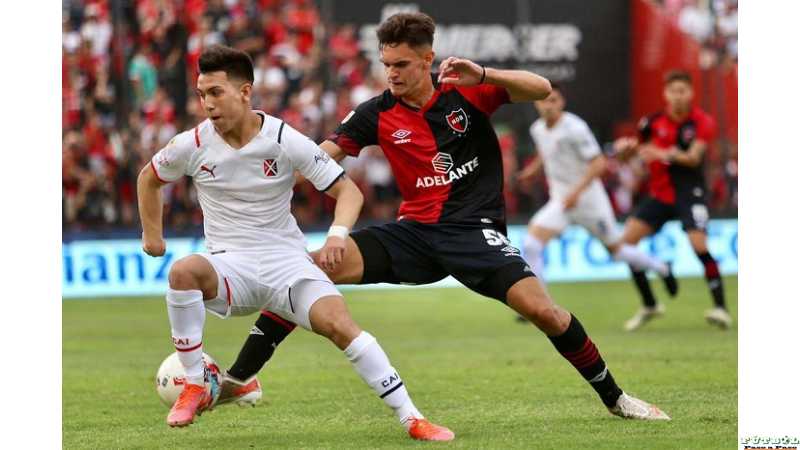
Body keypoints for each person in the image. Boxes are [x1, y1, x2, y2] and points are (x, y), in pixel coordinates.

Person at [218, 13, 670, 421]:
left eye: (401, 64)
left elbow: (541, 88)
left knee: (545, 311)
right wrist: (259, 179)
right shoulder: (377, 113)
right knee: (309, 271)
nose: (391, 73)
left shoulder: (466, 92)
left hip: (475, 232)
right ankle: (239, 381)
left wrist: (486, 73)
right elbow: (319, 158)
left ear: (427, 59)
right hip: (414, 234)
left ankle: (616, 399)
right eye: (386, 63)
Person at [137, 44, 453, 441]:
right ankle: (197, 382)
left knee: (341, 325)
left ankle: (412, 419)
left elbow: (348, 192)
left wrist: (337, 236)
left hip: (287, 263)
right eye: (202, 94)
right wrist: (153, 235)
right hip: (228, 266)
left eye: (216, 92)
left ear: (245, 92)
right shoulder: (192, 143)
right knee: (182, 271)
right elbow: (148, 178)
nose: (208, 104)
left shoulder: (284, 139)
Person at [516, 84, 677, 318]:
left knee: (617, 252)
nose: (548, 106)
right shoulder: (538, 129)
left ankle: (662, 267)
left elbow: (599, 163)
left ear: (562, 103)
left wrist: (576, 193)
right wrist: (532, 171)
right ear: (536, 103)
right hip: (561, 202)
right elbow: (545, 152)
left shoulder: (575, 128)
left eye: (553, 101)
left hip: (589, 201)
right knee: (531, 244)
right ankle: (540, 304)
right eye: (543, 101)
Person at [613, 70, 732, 331]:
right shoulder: (651, 123)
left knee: (699, 246)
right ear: (665, 94)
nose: (678, 97)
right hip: (659, 194)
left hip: (690, 194)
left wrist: (661, 152)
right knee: (624, 246)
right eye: (673, 91)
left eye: (683, 91)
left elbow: (693, 158)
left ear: (691, 93)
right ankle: (650, 304)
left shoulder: (701, 122)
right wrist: (624, 152)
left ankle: (721, 308)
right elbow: (634, 157)